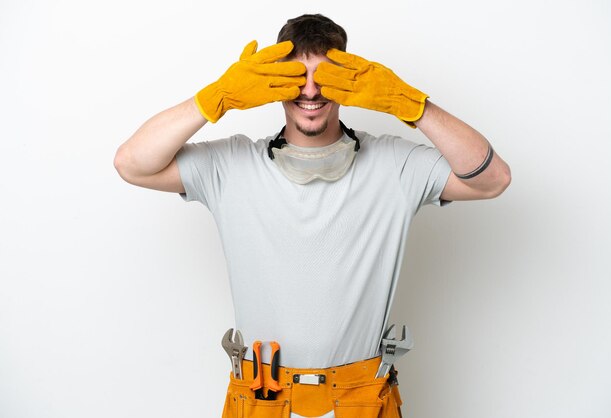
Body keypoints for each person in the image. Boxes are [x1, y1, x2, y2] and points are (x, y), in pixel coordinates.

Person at [114, 13, 510, 418]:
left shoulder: (396, 164)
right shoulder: (230, 164)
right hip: (261, 398)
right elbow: (132, 164)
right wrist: (215, 98)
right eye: (295, 77)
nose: (311, 91)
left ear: (350, 78)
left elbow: (492, 179)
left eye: (325, 76)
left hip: (361, 399)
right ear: (272, 83)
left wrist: (412, 104)